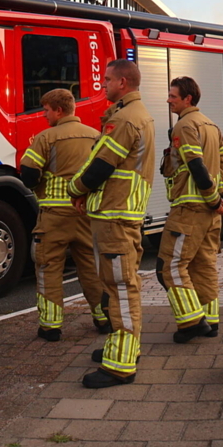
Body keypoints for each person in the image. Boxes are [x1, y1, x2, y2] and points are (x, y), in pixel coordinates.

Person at [68, 59, 154, 388]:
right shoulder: (134, 114)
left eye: (106, 79)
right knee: (119, 284)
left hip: (115, 214)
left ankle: (121, 365)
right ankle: (123, 348)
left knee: (120, 288)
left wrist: (75, 189)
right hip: (119, 212)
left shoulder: (125, 119)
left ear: (122, 82)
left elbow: (101, 165)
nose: (102, 84)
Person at [19, 88, 109, 342]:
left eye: (46, 110)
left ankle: (50, 326)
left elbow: (29, 174)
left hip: (54, 217)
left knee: (49, 268)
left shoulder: (46, 137)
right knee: (91, 269)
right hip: (86, 215)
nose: (44, 114)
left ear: (58, 110)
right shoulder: (95, 135)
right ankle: (103, 319)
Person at [157, 77, 223, 343]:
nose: (169, 100)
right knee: (204, 266)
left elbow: (196, 166)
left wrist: (213, 199)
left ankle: (191, 322)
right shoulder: (212, 125)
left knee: (170, 266)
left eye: (173, 96)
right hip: (211, 213)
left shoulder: (184, 125)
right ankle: (210, 322)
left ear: (187, 99)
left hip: (190, 209)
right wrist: (222, 197)